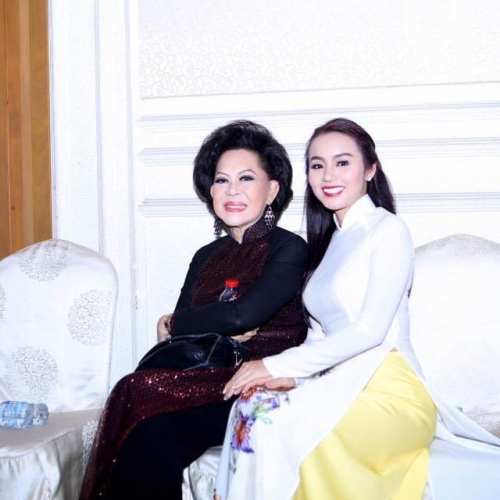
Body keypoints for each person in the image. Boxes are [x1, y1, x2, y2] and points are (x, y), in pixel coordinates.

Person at [214, 118, 500, 500]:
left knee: (284, 426)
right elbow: (320, 336)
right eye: (317, 165)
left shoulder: (387, 229)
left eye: (342, 162)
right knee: (253, 407)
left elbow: (370, 330)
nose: (328, 175)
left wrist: (275, 365)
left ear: (370, 169)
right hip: (336, 384)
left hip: (390, 390)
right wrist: (293, 378)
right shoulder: (331, 243)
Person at [80, 120, 308, 500]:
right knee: (137, 401)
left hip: (260, 385)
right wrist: (186, 324)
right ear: (210, 191)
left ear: (271, 190)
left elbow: (240, 316)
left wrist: (176, 322)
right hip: (206, 379)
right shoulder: (206, 256)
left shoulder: (289, 248)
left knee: (148, 416)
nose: (232, 190)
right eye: (221, 180)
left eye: (246, 178)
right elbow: (184, 337)